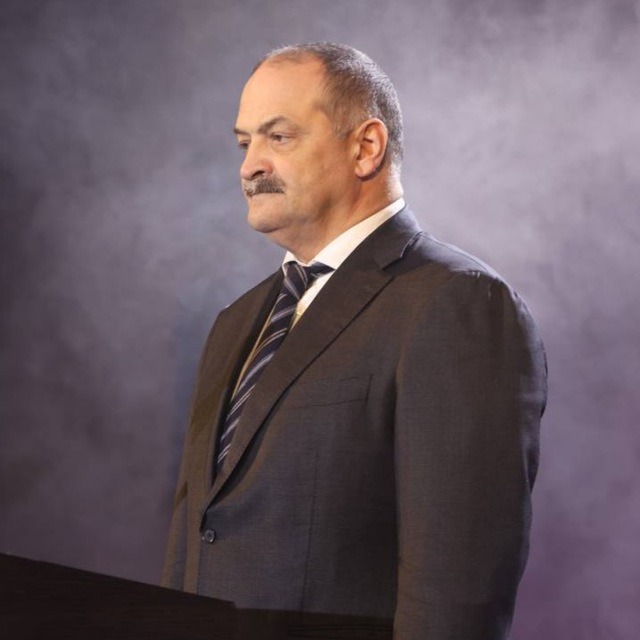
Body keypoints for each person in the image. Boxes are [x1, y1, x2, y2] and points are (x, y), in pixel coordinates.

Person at [162, 42, 547, 639]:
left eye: (278, 137)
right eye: (244, 143)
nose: (250, 166)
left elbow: (456, 592)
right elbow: (196, 540)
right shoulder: (236, 322)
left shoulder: (458, 303)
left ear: (366, 147)